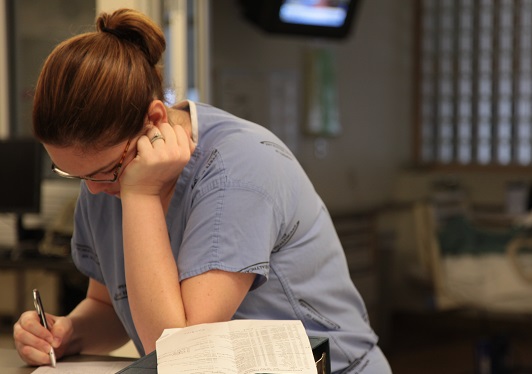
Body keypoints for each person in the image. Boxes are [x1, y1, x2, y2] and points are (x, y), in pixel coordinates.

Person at [13, 8, 391, 373]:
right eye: (74, 175)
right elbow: (111, 305)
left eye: (106, 170)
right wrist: (68, 333)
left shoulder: (240, 170)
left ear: (156, 120)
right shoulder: (106, 177)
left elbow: (180, 351)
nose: (93, 191)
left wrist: (140, 194)